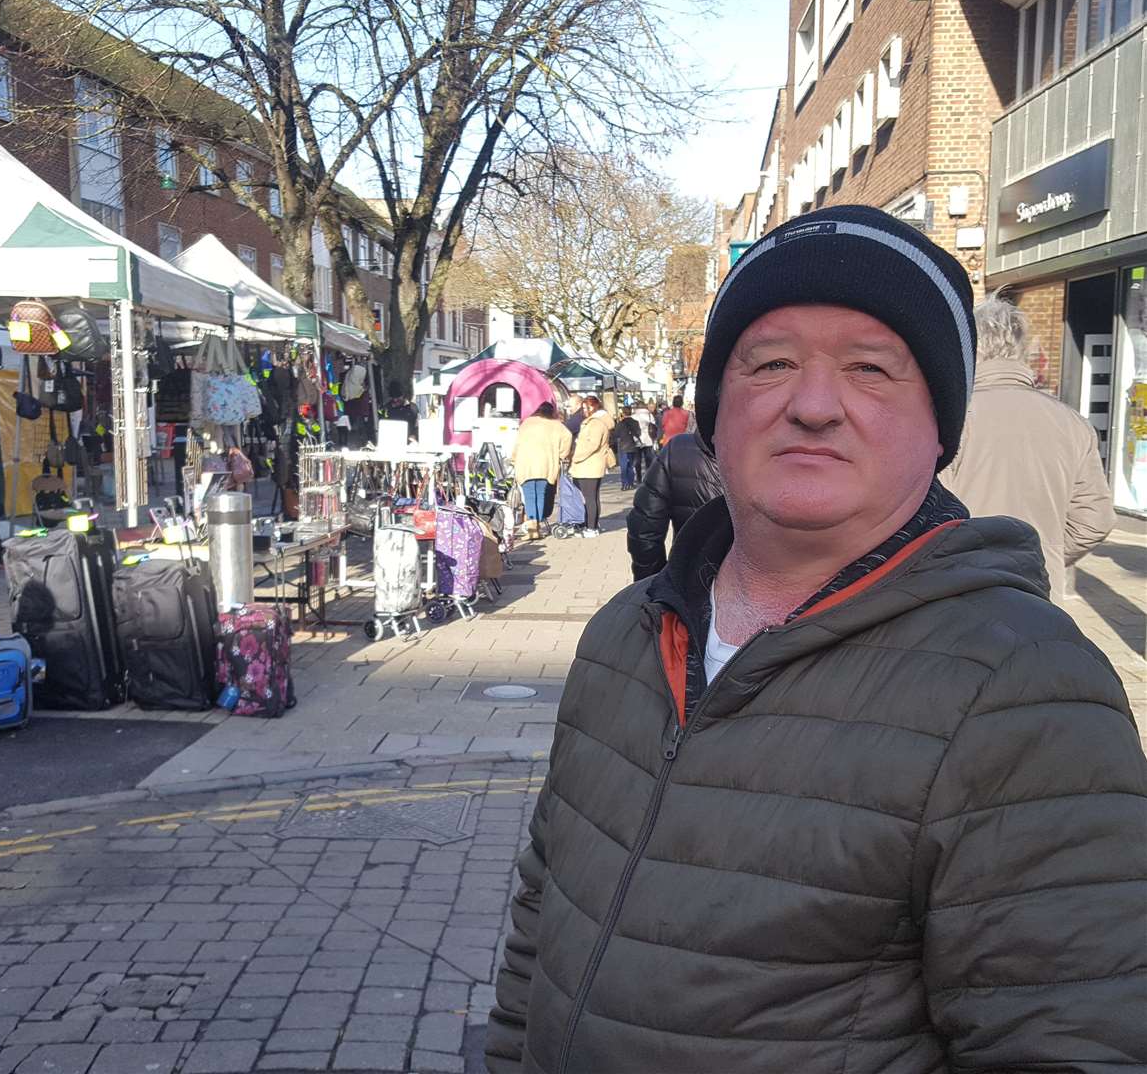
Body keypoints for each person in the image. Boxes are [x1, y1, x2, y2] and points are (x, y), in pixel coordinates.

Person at [487, 204, 1146, 1073]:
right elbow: (543, 916)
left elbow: (1072, 1043)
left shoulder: (1025, 690)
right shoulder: (625, 632)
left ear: (939, 430)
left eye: (871, 369)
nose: (812, 404)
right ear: (715, 414)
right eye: (770, 363)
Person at [941, 295, 1115, 602]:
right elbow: (1095, 518)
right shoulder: (1073, 423)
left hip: (961, 586)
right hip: (1039, 590)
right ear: (1021, 349)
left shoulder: (952, 417)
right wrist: (1044, 554)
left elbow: (931, 512)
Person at [626, 430, 724, 582]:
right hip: (764, 588)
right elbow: (645, 527)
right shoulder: (769, 453)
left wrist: (652, 585)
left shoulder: (678, 450)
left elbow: (644, 529)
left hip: (690, 583)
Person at [510, 403, 573, 540]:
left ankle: (533, 530)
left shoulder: (527, 423)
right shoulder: (556, 425)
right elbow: (568, 437)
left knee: (530, 496)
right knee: (540, 495)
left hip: (526, 464)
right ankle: (536, 526)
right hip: (546, 465)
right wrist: (562, 454)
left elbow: (517, 444)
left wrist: (513, 458)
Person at [566, 395, 613, 539]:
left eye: (586, 408)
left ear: (593, 407)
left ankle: (591, 527)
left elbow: (591, 444)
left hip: (589, 465)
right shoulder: (596, 421)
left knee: (590, 498)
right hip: (590, 464)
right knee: (591, 497)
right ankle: (591, 525)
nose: (584, 411)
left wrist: (576, 456)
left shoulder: (596, 423)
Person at [611, 406, 644, 491]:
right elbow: (639, 433)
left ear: (623, 413)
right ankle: (631, 483)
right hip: (633, 446)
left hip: (623, 446)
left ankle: (625, 484)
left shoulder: (620, 424)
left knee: (624, 466)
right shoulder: (635, 422)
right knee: (631, 466)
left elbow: (616, 435)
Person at [632, 401, 656, 480]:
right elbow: (654, 426)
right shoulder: (649, 415)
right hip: (648, 439)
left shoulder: (633, 416)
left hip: (637, 440)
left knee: (637, 460)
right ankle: (648, 476)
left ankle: (638, 476)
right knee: (648, 459)